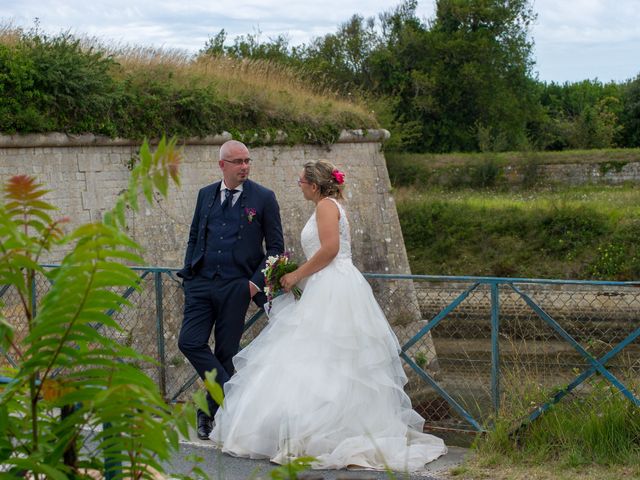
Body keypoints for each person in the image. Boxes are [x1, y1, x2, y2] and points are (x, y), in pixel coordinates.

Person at [211, 160, 447, 471]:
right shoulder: (329, 204)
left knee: (323, 357)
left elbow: (330, 249)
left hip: (332, 285)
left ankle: (323, 432)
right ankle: (329, 428)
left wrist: (296, 275)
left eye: (301, 181)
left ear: (314, 184)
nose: (298, 185)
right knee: (329, 360)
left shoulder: (325, 206)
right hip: (333, 283)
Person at [177, 140, 284, 440]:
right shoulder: (205, 195)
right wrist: (190, 275)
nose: (245, 167)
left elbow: (276, 249)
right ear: (222, 165)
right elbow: (194, 236)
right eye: (238, 162)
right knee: (189, 341)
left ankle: (206, 414)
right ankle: (235, 400)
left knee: (226, 353)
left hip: (238, 287)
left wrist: (253, 284)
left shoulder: (263, 198)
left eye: (247, 161)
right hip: (201, 283)